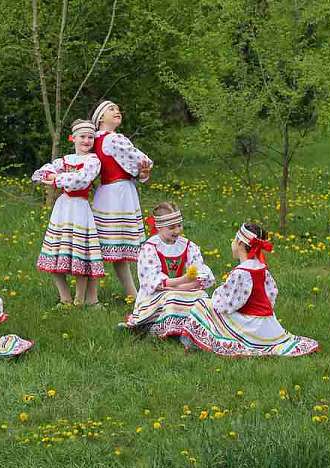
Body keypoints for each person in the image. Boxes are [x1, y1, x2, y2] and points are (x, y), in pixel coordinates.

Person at [172, 223, 319, 356]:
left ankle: (194, 343)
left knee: (202, 304)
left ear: (241, 244)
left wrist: (216, 296)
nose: (232, 243)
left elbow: (228, 304)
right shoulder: (261, 268)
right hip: (269, 324)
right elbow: (271, 293)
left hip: (253, 326)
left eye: (234, 240)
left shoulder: (242, 272)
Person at [32, 119, 104, 306]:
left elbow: (81, 179)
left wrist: (57, 178)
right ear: (73, 138)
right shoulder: (65, 160)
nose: (86, 141)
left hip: (80, 208)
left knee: (80, 252)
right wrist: (51, 174)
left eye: (90, 137)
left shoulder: (93, 160)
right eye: (82, 137)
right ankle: (65, 298)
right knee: (56, 250)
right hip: (63, 208)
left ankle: (79, 299)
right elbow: (42, 171)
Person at [90, 100, 153, 298]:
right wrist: (144, 169)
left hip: (105, 194)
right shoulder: (114, 139)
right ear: (100, 117)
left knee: (111, 248)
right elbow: (143, 161)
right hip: (119, 195)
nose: (117, 111)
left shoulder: (95, 140)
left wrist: (141, 172)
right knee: (118, 246)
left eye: (118, 109)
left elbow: (138, 169)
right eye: (111, 109)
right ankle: (95, 297)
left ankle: (131, 294)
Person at [124, 202, 215, 335]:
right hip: (157, 294)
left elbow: (199, 276)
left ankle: (191, 330)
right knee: (172, 299)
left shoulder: (188, 246)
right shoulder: (150, 248)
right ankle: (157, 328)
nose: (177, 231)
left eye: (179, 225)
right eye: (172, 227)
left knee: (202, 297)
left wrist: (183, 286)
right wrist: (183, 280)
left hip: (183, 289)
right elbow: (155, 283)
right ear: (159, 227)